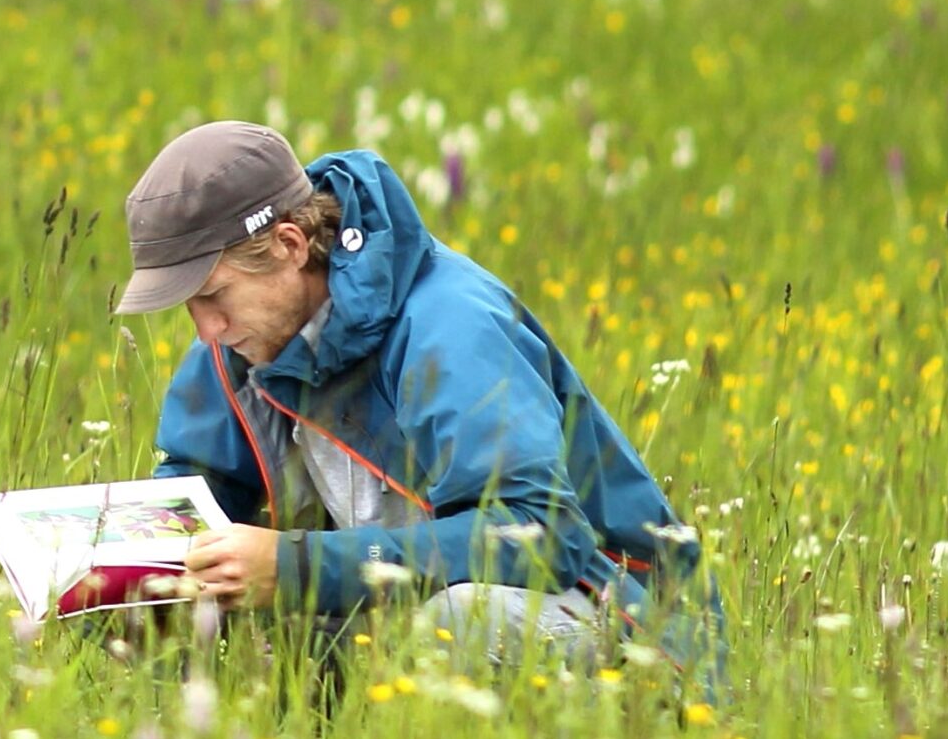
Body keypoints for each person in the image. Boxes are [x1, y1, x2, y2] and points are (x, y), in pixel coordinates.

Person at [115, 120, 721, 674]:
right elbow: (197, 487)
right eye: (188, 308)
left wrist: (296, 567)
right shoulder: (243, 342)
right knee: (158, 619)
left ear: (291, 245)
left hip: (625, 621)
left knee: (460, 622)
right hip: (400, 608)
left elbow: (540, 536)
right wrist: (122, 568)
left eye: (214, 295)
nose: (206, 331)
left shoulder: (452, 327)